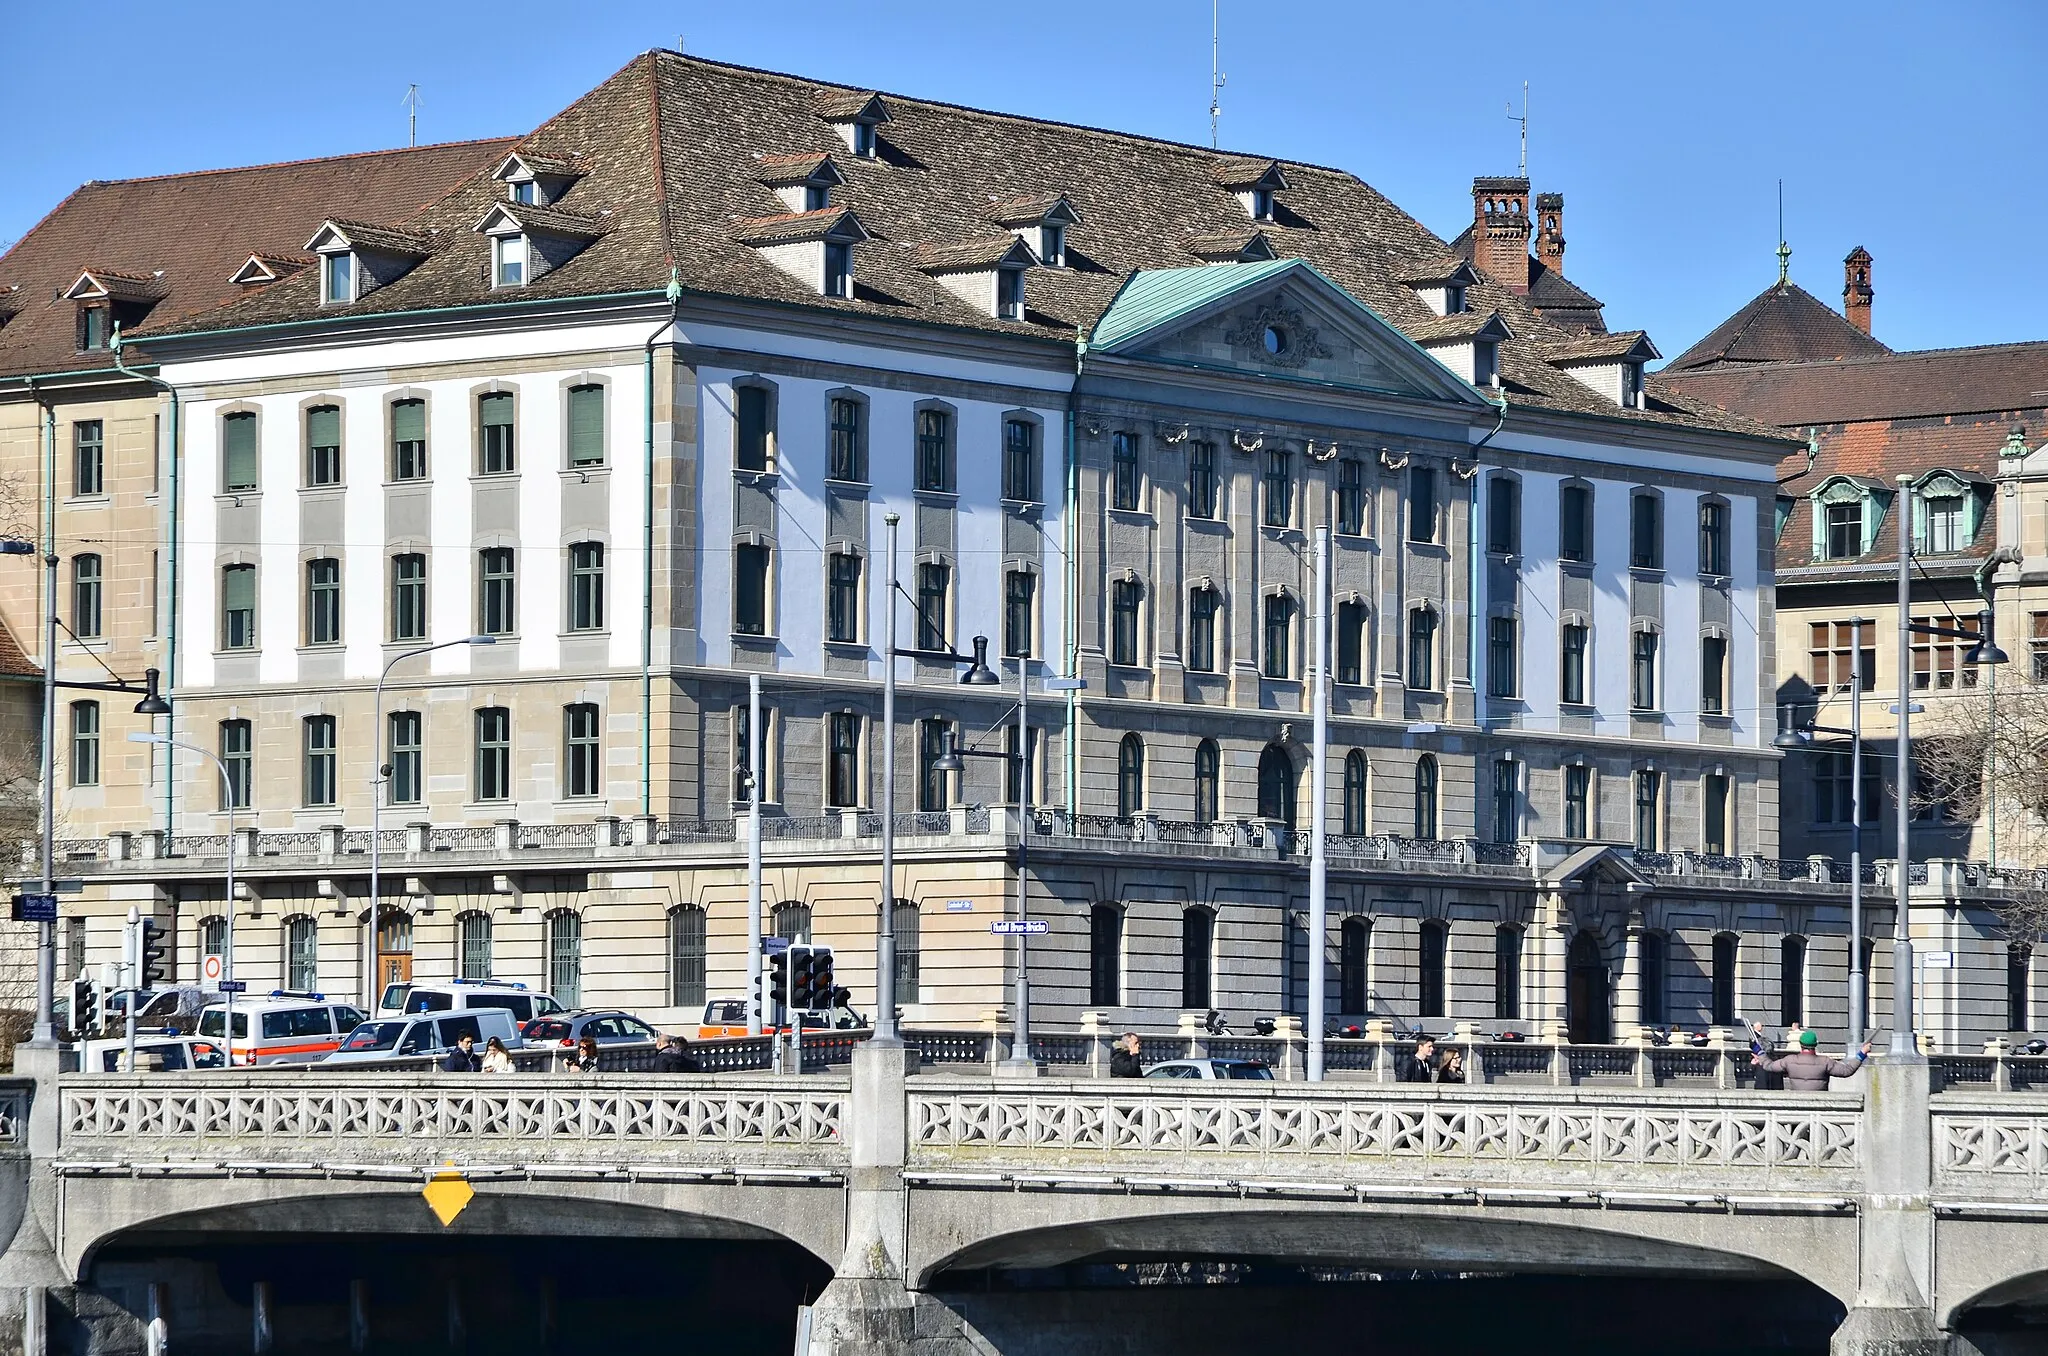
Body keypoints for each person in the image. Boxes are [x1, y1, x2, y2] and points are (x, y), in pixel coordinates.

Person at [1752, 1029, 1872, 1091]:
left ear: (1800, 1044)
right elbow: (1847, 1071)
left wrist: (1759, 1051)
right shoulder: (1825, 1062)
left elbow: (1769, 1066)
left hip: (1796, 1107)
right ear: (1815, 1044)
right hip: (1819, 1108)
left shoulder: (1789, 1060)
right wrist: (1862, 1053)